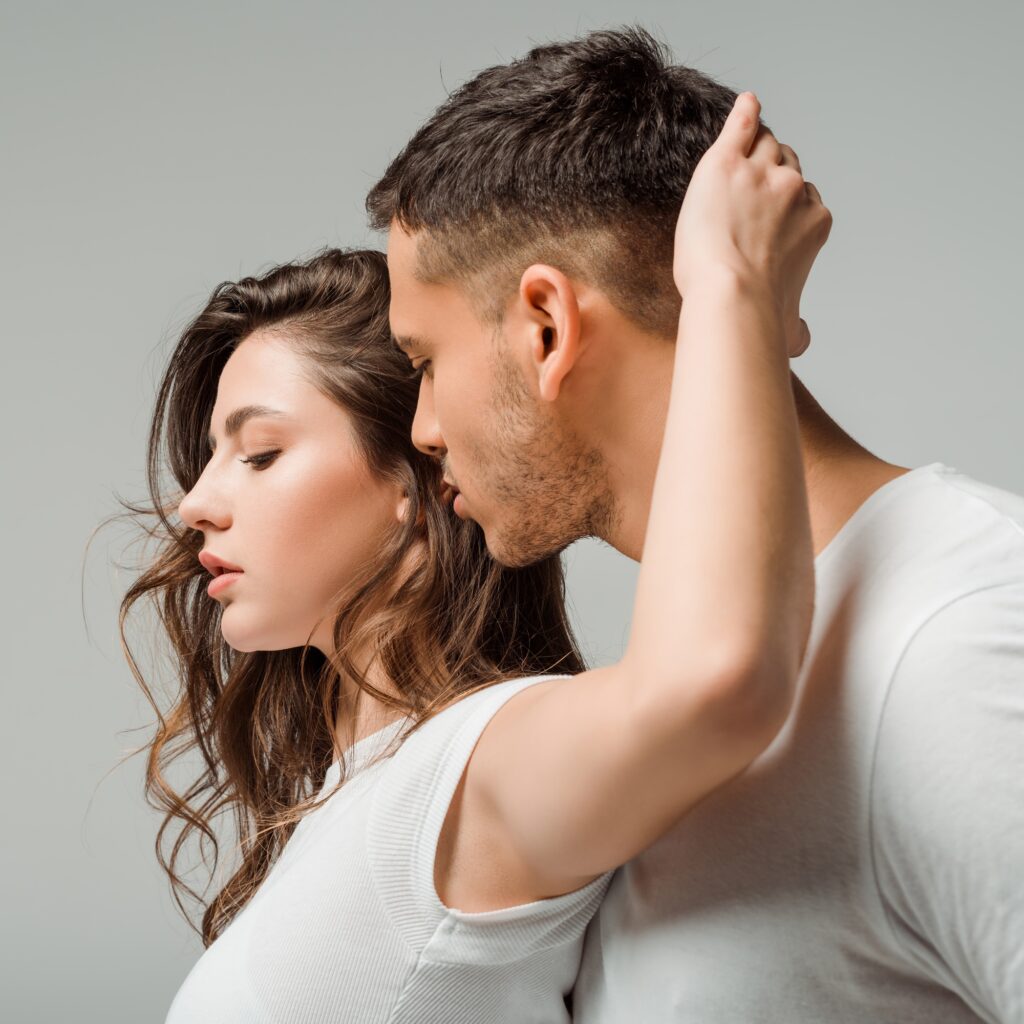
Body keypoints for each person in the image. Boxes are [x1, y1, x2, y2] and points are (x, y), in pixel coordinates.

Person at [121, 89, 827, 1022]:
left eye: (259, 454)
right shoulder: (369, 796)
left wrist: (727, 289)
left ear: (415, 486)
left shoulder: (478, 769)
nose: (197, 504)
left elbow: (715, 682)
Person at [368, 26, 1024, 1024]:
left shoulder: (959, 643)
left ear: (545, 327)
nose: (420, 428)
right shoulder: (666, 690)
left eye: (421, 359)